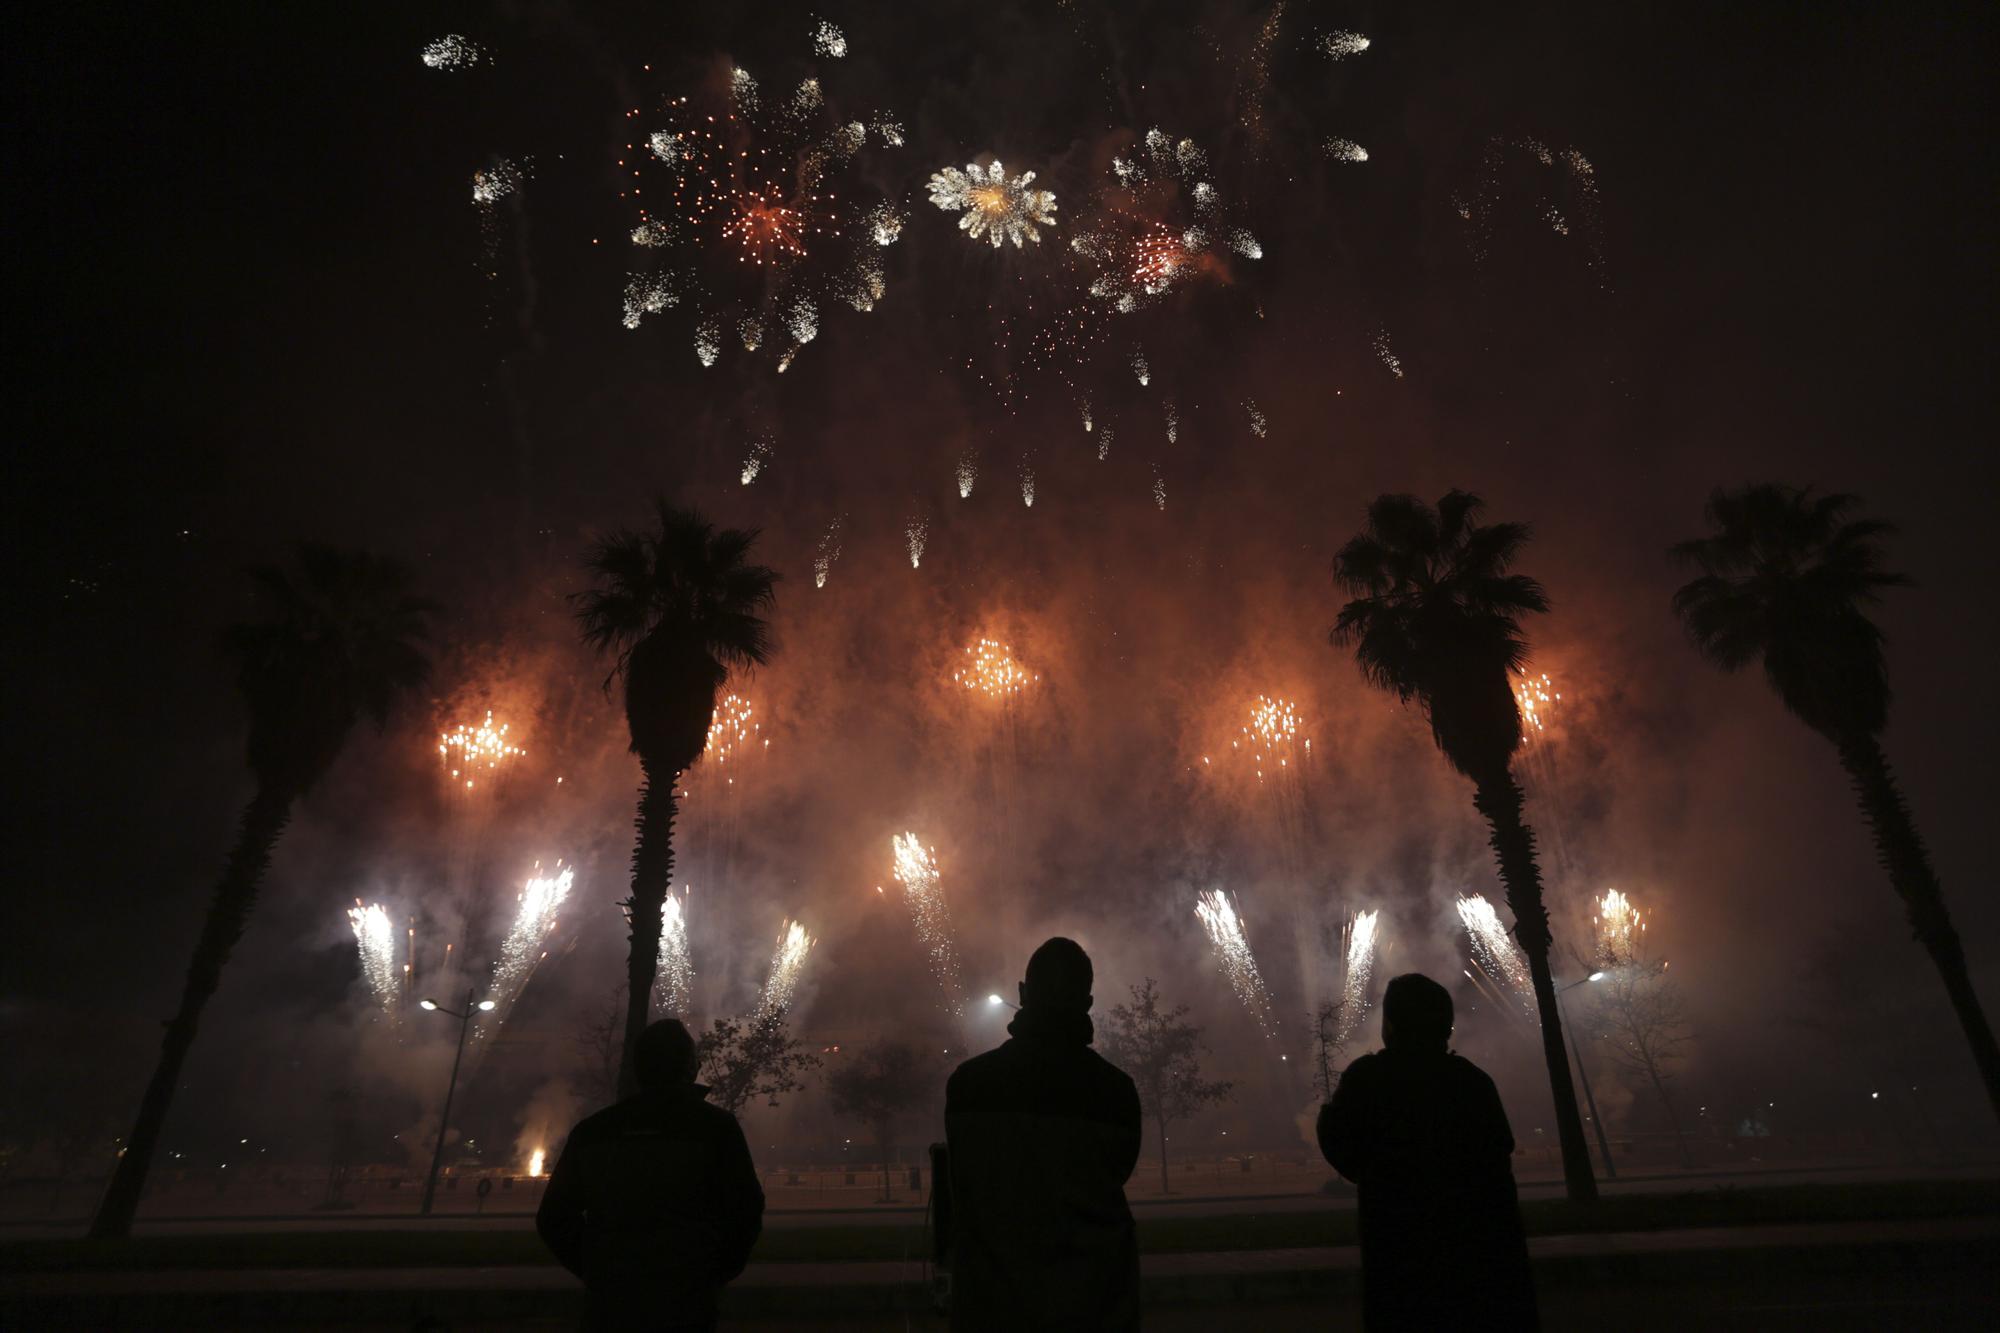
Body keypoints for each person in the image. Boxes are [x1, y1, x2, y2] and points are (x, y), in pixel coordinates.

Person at [1318, 972, 1539, 1331]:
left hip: (1398, 1244)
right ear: (1446, 1026)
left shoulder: (1368, 1079)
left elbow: (1341, 1145)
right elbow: (1498, 1150)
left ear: (1390, 1025)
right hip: (1476, 1247)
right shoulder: (1471, 1081)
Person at [943, 937, 1144, 1331]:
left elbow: (966, 1183)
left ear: (1022, 993)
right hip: (1092, 1305)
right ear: (1087, 1003)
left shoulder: (969, 1085)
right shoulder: (1114, 1091)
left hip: (993, 1306)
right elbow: (1115, 1175)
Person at [536, 1018, 763, 1333]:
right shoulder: (716, 1128)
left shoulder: (593, 1131)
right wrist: (712, 1272)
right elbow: (746, 1209)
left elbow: (553, 1218)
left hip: (611, 1303)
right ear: (690, 1068)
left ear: (637, 1069)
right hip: (686, 1300)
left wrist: (598, 1269)